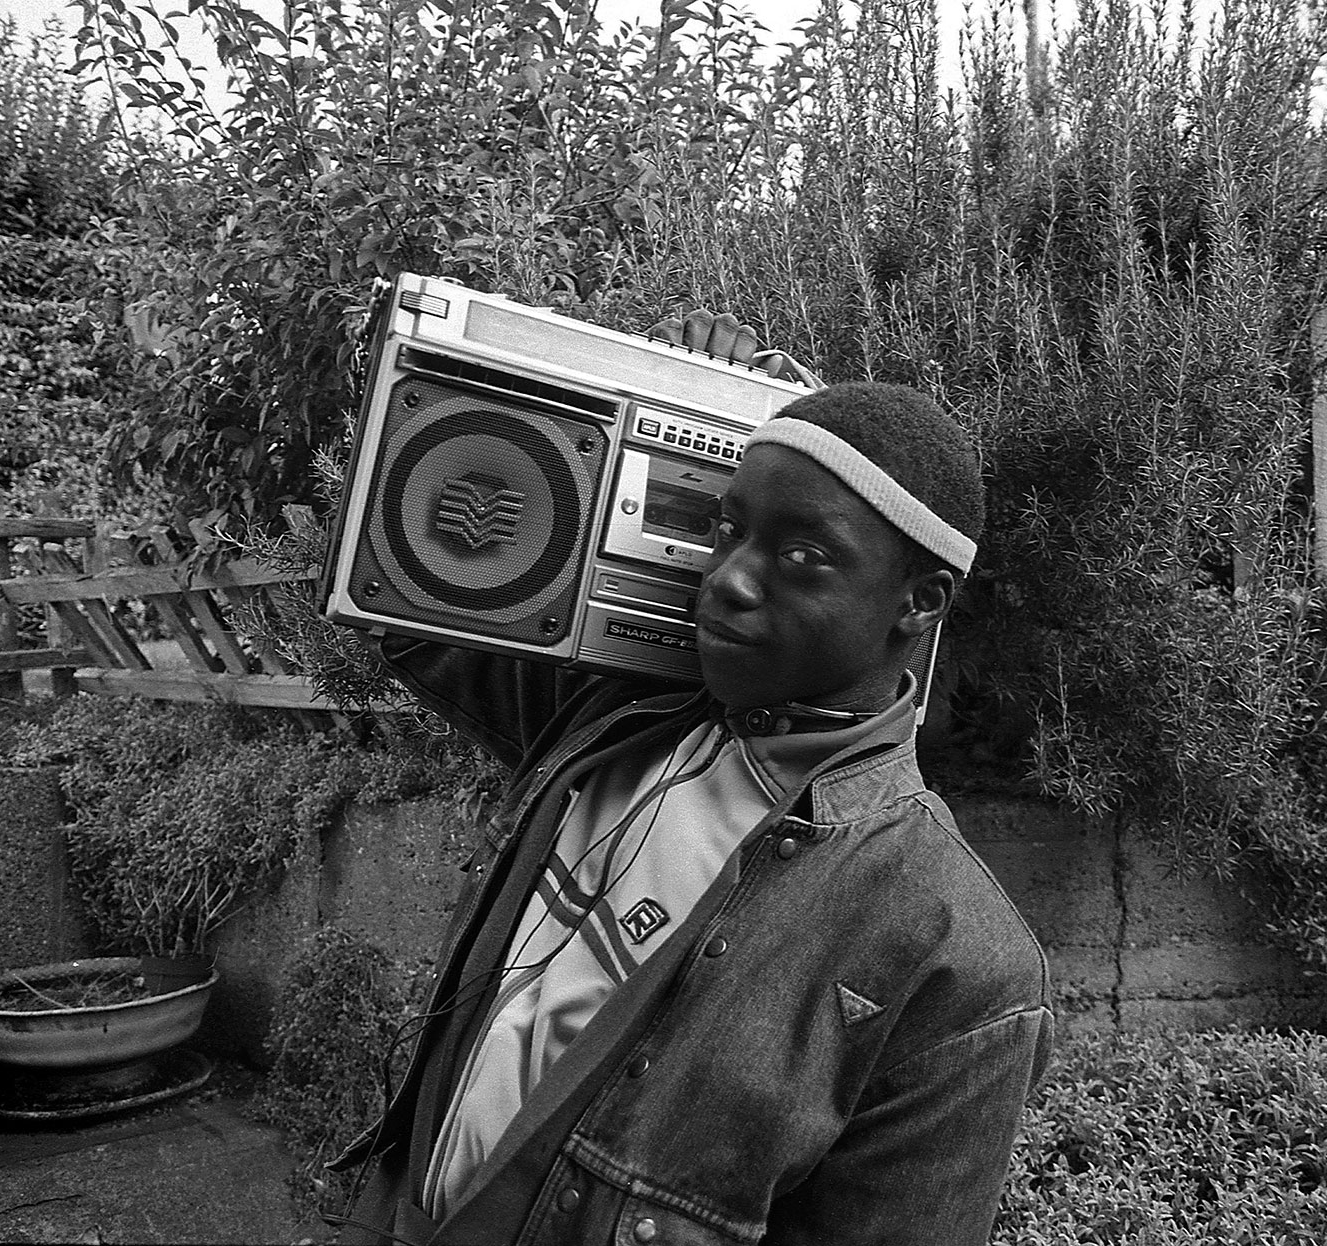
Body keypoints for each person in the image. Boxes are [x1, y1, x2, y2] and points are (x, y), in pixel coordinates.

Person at [329, 312, 1053, 1245]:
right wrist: (700, 402)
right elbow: (414, 580)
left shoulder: (953, 951)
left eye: (801, 557)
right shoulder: (614, 724)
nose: (730, 580)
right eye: (728, 528)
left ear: (919, 604)